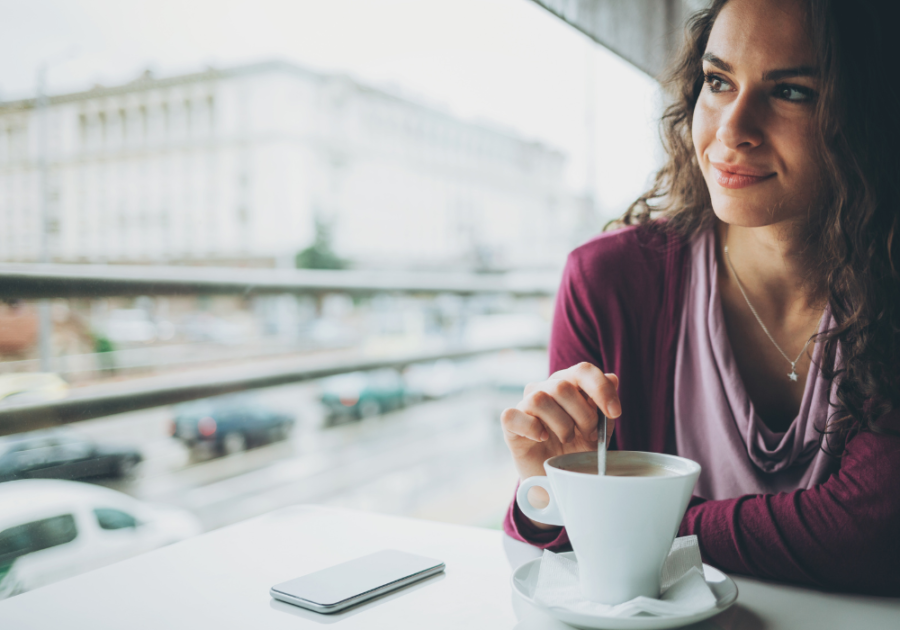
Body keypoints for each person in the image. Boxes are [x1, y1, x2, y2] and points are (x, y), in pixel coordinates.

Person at [501, 0, 900, 596]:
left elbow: (871, 532)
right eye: (718, 82)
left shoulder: (888, 283)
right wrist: (553, 491)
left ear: (872, 114)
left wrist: (617, 515)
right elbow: (558, 531)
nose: (732, 128)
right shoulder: (608, 281)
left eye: (791, 91)